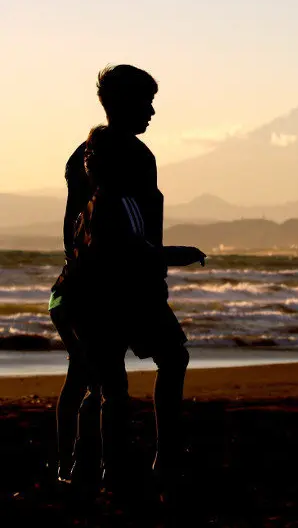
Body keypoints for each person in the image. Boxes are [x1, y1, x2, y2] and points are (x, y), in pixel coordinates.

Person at [63, 65, 206, 494]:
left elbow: (71, 227)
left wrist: (78, 274)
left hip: (94, 284)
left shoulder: (82, 154)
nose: (152, 112)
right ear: (125, 103)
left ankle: (91, 466)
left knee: (106, 382)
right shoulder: (135, 157)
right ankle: (157, 455)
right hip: (126, 286)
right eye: (147, 103)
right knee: (164, 362)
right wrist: (162, 260)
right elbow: (134, 230)